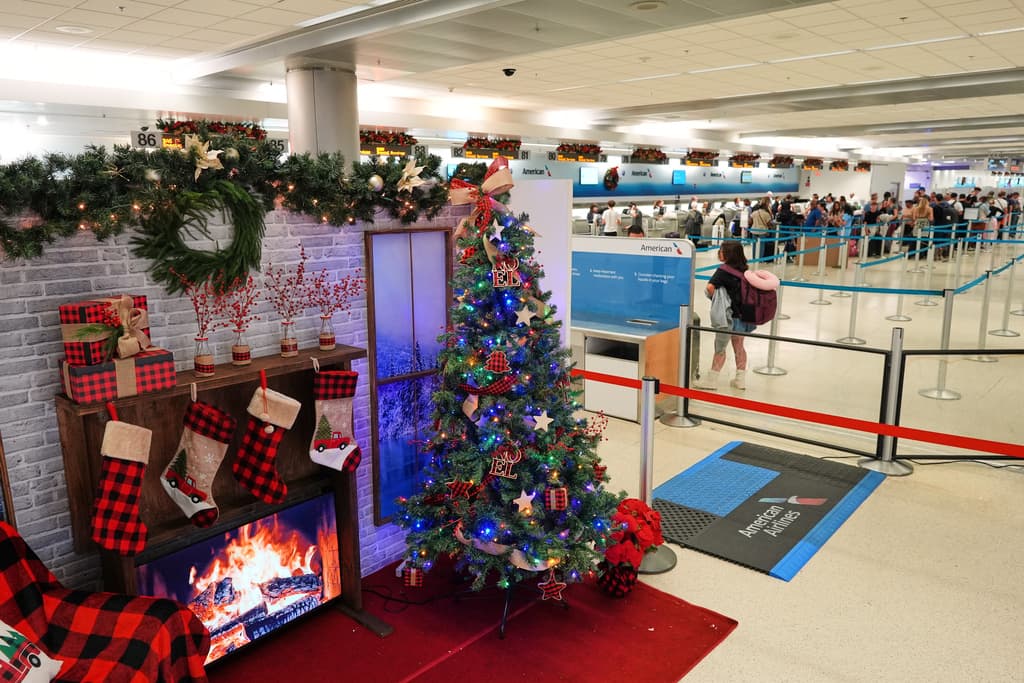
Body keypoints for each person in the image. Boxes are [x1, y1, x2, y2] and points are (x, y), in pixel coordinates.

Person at [694, 240, 754, 391]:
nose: (719, 253)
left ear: (728, 254)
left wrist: (719, 300)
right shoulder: (744, 270)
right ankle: (740, 380)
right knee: (739, 347)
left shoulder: (723, 270)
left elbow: (710, 288)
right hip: (742, 316)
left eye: (721, 250)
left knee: (720, 348)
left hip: (726, 317)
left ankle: (711, 380)